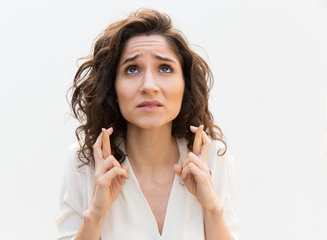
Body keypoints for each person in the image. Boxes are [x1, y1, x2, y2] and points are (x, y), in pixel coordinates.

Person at [56, 8, 239, 240]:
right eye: (132, 69)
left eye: (165, 68)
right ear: (112, 87)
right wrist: (95, 213)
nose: (149, 86)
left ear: (186, 85)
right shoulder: (83, 162)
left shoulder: (213, 161)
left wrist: (212, 208)